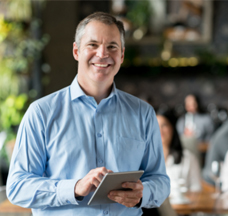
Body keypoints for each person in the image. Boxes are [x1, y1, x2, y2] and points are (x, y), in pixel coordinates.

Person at [6, 12, 170, 216]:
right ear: (76, 51)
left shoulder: (143, 113)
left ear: (122, 55)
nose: (102, 54)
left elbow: (160, 181)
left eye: (112, 46)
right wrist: (74, 188)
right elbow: (18, 187)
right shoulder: (41, 113)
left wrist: (144, 193)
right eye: (92, 45)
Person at [156, 108, 201, 201]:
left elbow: (196, 189)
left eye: (164, 125)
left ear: (172, 127)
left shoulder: (188, 158)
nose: (159, 130)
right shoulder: (145, 159)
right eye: (156, 126)